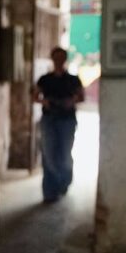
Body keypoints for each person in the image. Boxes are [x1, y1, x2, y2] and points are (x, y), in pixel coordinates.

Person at [33, 46, 84, 203]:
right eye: (56, 57)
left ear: (64, 59)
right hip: (49, 119)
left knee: (64, 154)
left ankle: (64, 182)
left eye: (61, 57)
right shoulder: (45, 79)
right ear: (52, 59)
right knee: (49, 154)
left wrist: (71, 101)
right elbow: (35, 95)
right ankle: (50, 191)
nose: (58, 61)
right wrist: (44, 101)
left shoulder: (73, 79)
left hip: (67, 120)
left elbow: (81, 96)